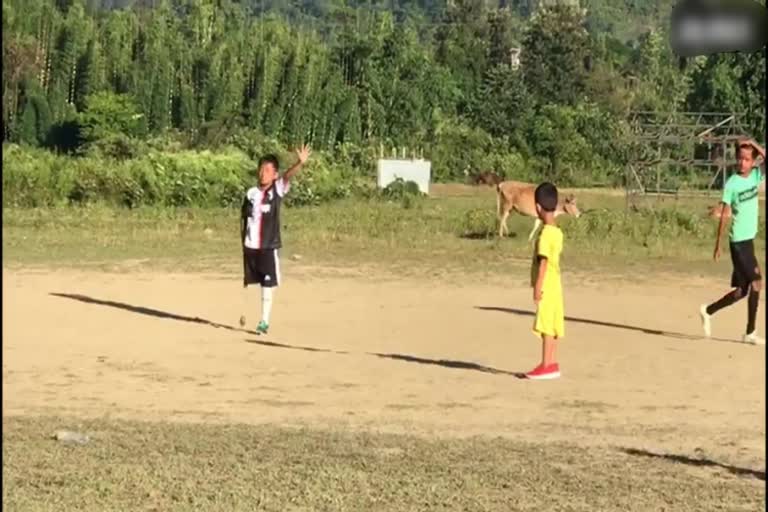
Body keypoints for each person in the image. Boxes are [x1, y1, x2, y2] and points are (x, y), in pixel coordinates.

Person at [239, 144, 311, 334]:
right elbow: (244, 219)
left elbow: (288, 176)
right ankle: (262, 317)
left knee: (268, 282)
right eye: (261, 169)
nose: (263, 173)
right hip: (251, 246)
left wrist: (299, 163)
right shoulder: (251, 194)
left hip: (268, 246)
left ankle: (264, 321)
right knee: (255, 281)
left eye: (268, 170)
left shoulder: (277, 190)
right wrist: (243, 244)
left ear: (274, 175)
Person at [700, 139, 765, 344]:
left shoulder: (755, 176)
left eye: (747, 159)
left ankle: (707, 310)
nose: (742, 163)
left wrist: (753, 143)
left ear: (753, 161)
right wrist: (718, 244)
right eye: (740, 159)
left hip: (749, 239)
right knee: (757, 283)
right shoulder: (732, 184)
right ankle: (750, 333)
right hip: (738, 242)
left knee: (741, 291)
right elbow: (724, 213)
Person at [526, 182, 566, 380]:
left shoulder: (545, 234)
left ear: (538, 207)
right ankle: (551, 361)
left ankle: (546, 364)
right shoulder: (557, 231)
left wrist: (537, 287)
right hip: (556, 283)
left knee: (546, 327)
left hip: (547, 284)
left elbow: (543, 262)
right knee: (553, 322)